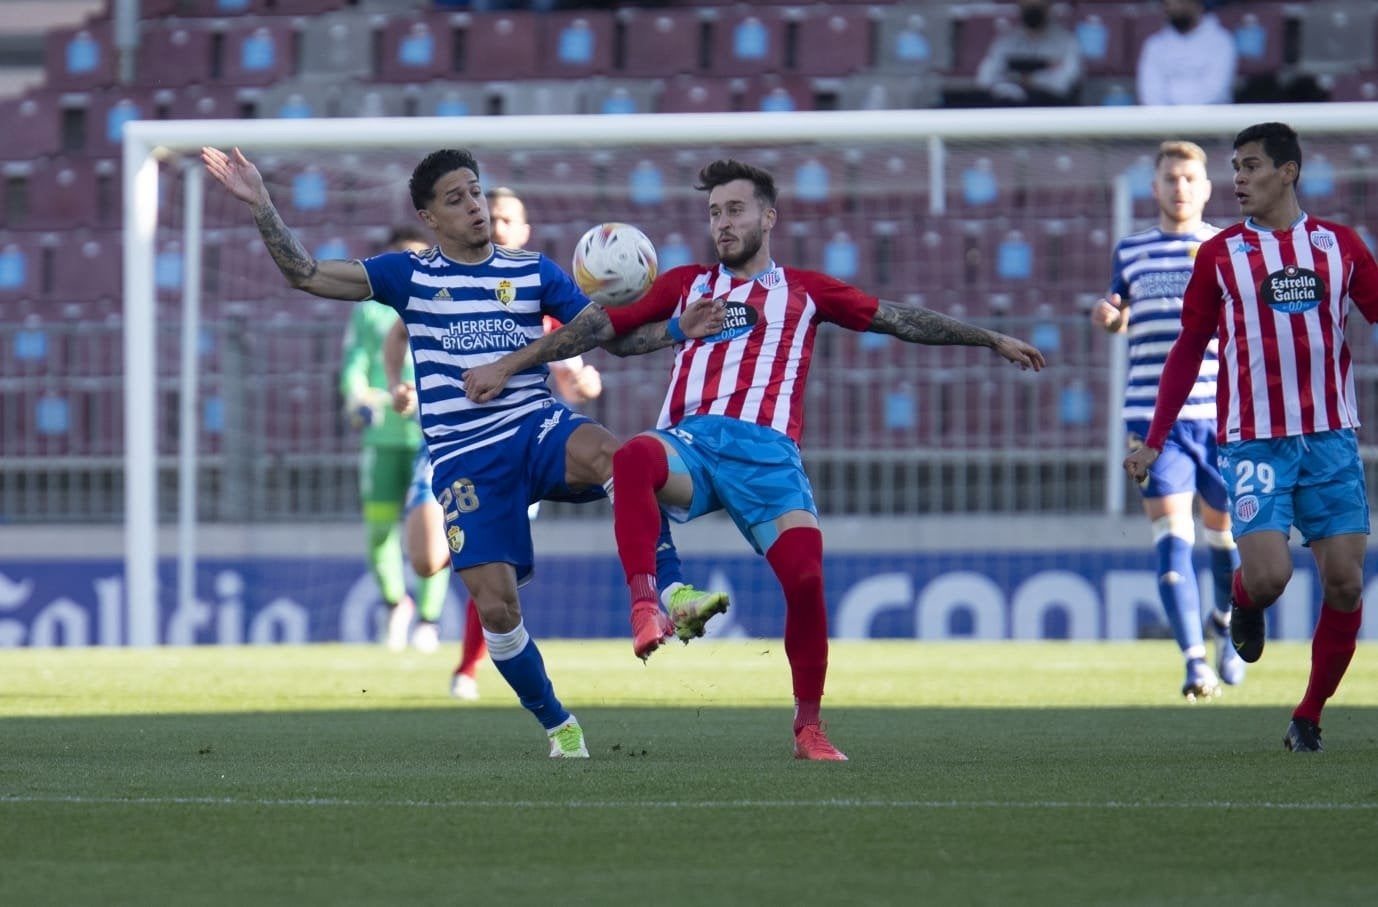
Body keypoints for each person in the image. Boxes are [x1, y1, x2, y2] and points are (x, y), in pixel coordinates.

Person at [463, 159, 1046, 761]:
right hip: (692, 444)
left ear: (769, 216)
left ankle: (809, 729)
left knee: (807, 579)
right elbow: (602, 333)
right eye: (715, 212)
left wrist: (989, 337)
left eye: (735, 209)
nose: (723, 223)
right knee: (634, 455)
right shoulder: (685, 284)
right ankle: (650, 602)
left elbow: (899, 319)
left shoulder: (807, 291)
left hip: (768, 458)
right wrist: (513, 365)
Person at [201, 145, 724, 758]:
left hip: (534, 427)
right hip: (465, 460)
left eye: (475, 192)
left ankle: (672, 594)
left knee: (620, 457)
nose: (474, 206)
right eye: (456, 199)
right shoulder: (410, 275)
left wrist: (674, 332)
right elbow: (307, 274)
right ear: (429, 217)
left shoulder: (533, 272)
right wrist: (263, 204)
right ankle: (560, 725)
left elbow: (608, 336)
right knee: (497, 610)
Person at [384, 185, 708, 701]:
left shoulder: (536, 289)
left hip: (525, 441)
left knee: (506, 563)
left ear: (525, 230)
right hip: (452, 449)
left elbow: (581, 360)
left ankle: (469, 668)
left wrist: (585, 383)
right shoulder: (434, 280)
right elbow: (397, 335)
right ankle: (429, 613)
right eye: (490, 216)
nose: (496, 225)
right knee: (426, 561)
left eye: (507, 220)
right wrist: (395, 383)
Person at [1124, 122, 1378, 752]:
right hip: (1254, 443)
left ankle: (1308, 716)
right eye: (1234, 166)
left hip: (1330, 440)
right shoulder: (1219, 255)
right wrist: (1154, 438)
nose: (1237, 178)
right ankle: (1242, 601)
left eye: (1252, 166)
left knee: (1345, 581)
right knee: (1267, 580)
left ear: (1288, 171)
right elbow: (1188, 348)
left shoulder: (1341, 247)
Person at [1092, 140, 1245, 702]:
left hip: (1221, 417)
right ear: (1154, 188)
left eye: (1189, 178)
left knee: (1225, 537)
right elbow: (1115, 310)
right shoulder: (1131, 251)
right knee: (1171, 537)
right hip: (1152, 419)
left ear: (1206, 188)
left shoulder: (1225, 249)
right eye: (1170, 178)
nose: (1179, 187)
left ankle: (1227, 623)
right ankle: (1193, 663)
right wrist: (1109, 316)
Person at [339, 225, 451, 654]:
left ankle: (429, 620)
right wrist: (357, 399)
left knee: (433, 530)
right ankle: (392, 604)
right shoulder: (369, 312)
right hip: (383, 436)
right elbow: (354, 363)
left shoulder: (442, 305)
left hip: (432, 437)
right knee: (380, 529)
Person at [970, 0, 1082, 107]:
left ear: (1048, 7)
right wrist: (1013, 87)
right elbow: (985, 78)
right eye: (1027, 5)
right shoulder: (1006, 42)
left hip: (1050, 112)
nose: (1031, 9)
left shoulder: (1067, 42)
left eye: (1036, 6)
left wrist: (1029, 81)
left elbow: (1062, 84)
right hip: (1008, 109)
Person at [1136, 0, 1237, 106]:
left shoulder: (1222, 41)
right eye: (1167, 4)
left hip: (1213, 119)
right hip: (1163, 119)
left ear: (1197, 4)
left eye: (1179, 2)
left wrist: (1175, 96)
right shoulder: (1154, 44)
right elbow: (1150, 93)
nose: (1172, 8)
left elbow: (1216, 91)